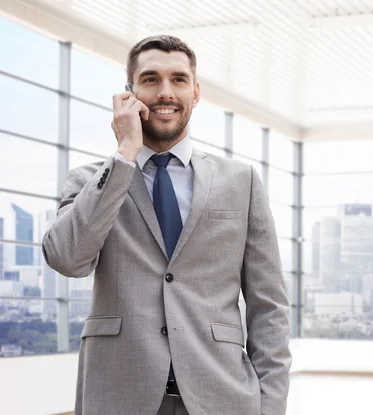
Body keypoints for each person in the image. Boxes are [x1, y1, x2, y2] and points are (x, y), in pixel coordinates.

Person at [42, 35, 291, 415]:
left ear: (195, 91)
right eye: (150, 79)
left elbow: (269, 305)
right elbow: (66, 259)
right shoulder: (91, 181)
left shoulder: (241, 182)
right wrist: (125, 153)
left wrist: (270, 406)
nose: (165, 92)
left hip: (222, 396)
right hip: (119, 396)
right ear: (130, 93)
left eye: (178, 80)